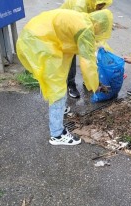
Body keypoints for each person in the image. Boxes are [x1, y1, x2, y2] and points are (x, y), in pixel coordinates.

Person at [16, 9, 113, 145]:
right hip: (39, 41)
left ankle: (59, 108)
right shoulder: (86, 31)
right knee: (57, 88)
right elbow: (87, 64)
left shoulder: (84, 20)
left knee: (58, 80)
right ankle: (57, 134)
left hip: (39, 36)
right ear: (99, 25)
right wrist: (95, 85)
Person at [60, 0, 113, 98]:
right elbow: (78, 28)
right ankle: (71, 85)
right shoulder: (79, 6)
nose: (101, 7)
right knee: (72, 55)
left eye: (103, 5)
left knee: (90, 52)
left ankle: (88, 81)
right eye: (100, 5)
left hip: (81, 26)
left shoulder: (96, 5)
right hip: (66, 28)